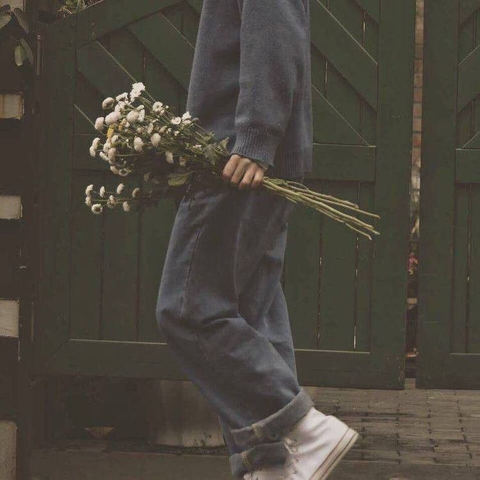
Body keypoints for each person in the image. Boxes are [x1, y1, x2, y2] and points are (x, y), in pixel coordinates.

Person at [155, 0, 358, 478]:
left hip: (236, 159)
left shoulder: (247, 147)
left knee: (188, 308)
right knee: (254, 309)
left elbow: (274, 29)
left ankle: (304, 427)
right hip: (244, 156)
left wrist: (256, 136)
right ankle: (273, 464)